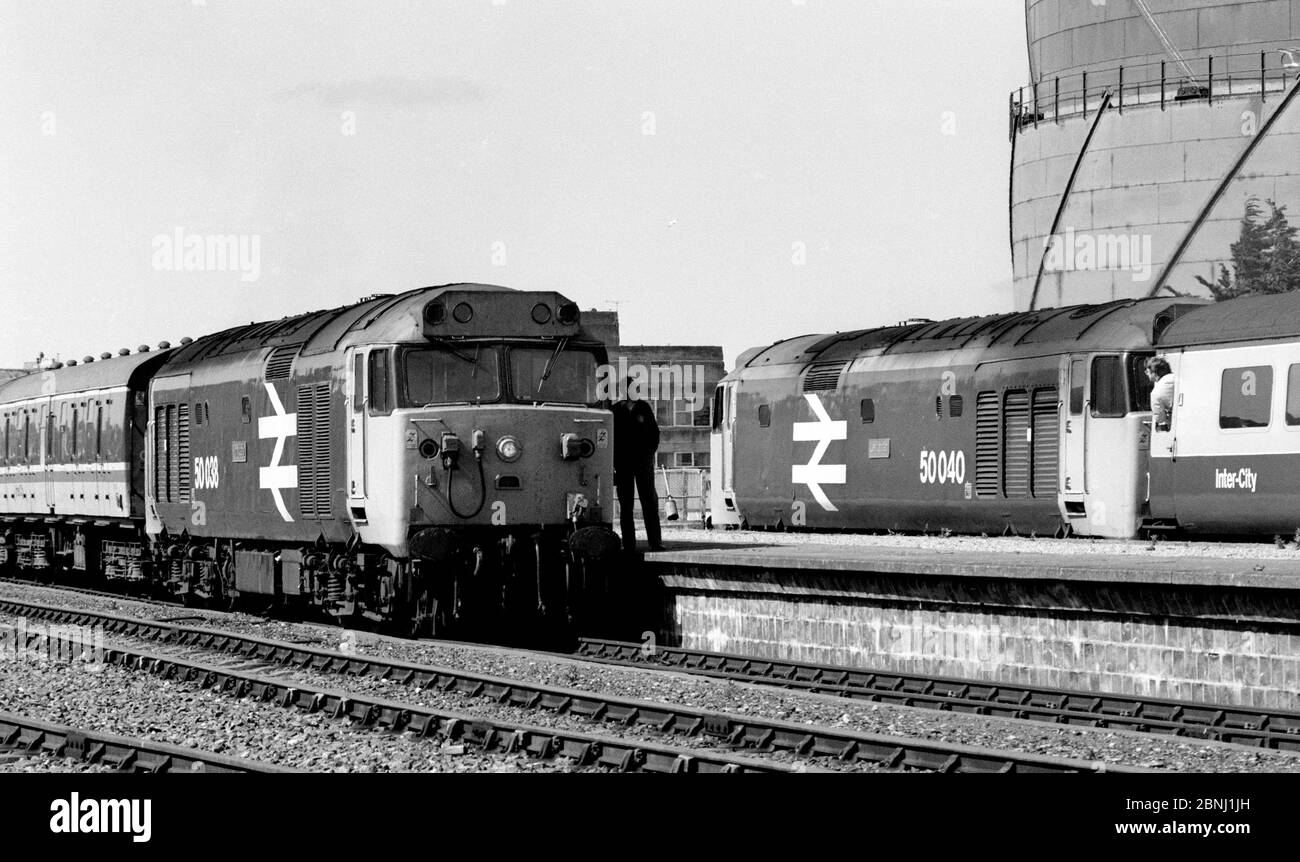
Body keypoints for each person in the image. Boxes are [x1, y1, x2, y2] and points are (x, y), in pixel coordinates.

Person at [611, 376, 664, 553]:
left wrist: (649, 455)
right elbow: (611, 439)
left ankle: (655, 542)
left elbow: (654, 435)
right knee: (626, 506)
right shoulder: (616, 410)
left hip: (643, 463)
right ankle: (628, 544)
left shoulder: (644, 408)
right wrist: (613, 464)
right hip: (623, 464)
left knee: (649, 502)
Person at [1145, 356, 1175, 431]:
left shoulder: (1156, 392)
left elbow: (1160, 419)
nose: (1146, 374)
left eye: (1147, 371)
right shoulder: (1177, 378)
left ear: (1154, 372)